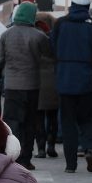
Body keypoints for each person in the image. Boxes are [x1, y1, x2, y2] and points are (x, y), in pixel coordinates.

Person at [49, 0, 92, 172]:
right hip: (88, 81)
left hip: (65, 81)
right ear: (87, 7)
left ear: (72, 5)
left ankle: (70, 164)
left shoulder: (60, 24)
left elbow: (52, 48)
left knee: (68, 122)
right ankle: (89, 148)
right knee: (88, 118)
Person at [0, 0, 48, 171]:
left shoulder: (6, 35)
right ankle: (26, 159)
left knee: (13, 123)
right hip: (32, 86)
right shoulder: (39, 36)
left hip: (12, 86)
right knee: (30, 123)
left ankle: (10, 157)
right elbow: (49, 55)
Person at [33, 15, 61, 162]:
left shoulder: (34, 39)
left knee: (38, 118)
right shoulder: (55, 41)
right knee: (52, 117)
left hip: (37, 83)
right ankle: (51, 146)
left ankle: (41, 148)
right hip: (54, 83)